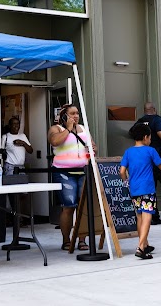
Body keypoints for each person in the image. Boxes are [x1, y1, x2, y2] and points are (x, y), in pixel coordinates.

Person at [119, 122, 161, 259]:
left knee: (140, 216)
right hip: (147, 187)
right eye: (150, 137)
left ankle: (145, 243)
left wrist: (126, 181)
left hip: (134, 188)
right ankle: (141, 247)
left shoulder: (128, 152)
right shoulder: (150, 151)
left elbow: (122, 171)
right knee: (147, 215)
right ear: (145, 137)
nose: (151, 140)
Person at [49, 103, 95, 251]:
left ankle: (82, 239)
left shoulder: (83, 128)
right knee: (69, 206)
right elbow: (54, 141)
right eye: (72, 113)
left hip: (83, 170)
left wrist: (92, 149)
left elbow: (93, 146)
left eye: (77, 113)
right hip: (64, 172)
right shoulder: (56, 129)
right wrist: (68, 129)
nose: (76, 116)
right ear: (64, 116)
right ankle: (66, 240)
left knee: (83, 207)